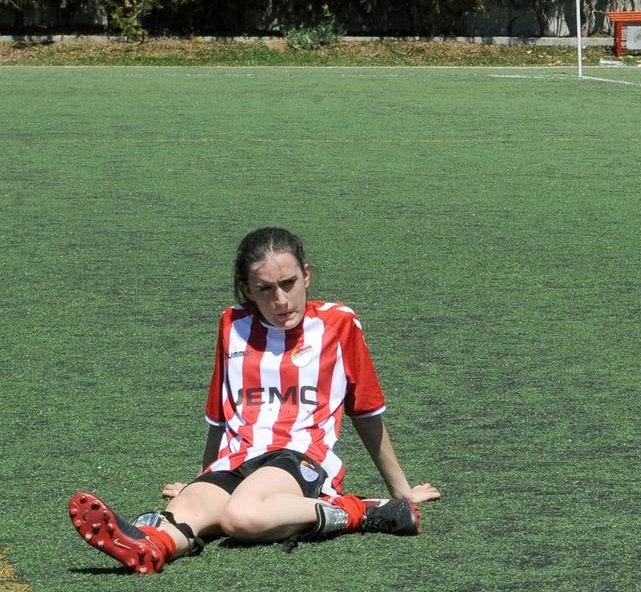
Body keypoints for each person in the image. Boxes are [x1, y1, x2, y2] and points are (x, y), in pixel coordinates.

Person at [68, 226, 441, 573]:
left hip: (298, 457)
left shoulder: (338, 323)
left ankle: (362, 509)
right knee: (183, 514)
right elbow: (220, 415)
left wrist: (402, 491)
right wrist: (203, 477)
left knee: (240, 518)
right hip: (236, 459)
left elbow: (366, 410)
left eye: (289, 283)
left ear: (306, 275)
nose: (281, 300)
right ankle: (149, 548)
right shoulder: (232, 325)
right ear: (247, 289)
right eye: (265, 289)